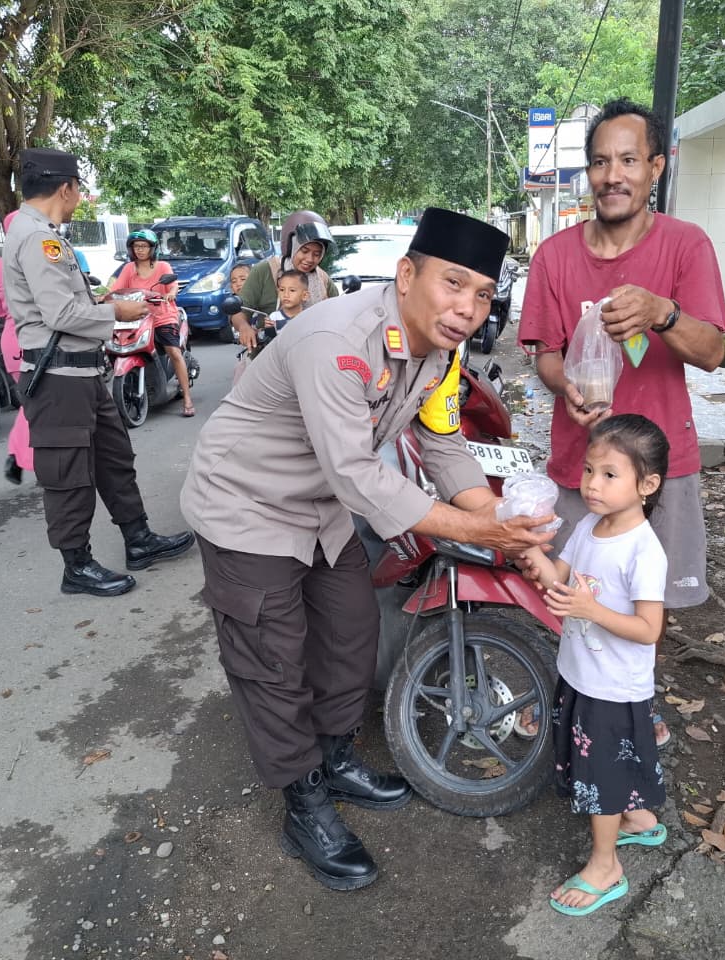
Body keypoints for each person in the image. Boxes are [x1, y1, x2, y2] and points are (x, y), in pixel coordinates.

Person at [181, 207, 556, 893]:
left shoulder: (440, 352)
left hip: (319, 506)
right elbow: (357, 473)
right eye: (453, 284)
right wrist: (479, 531)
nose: (468, 309)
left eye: (482, 294)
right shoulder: (339, 340)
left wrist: (502, 520)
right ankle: (303, 803)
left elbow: (442, 443)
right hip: (247, 506)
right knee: (274, 661)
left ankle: (333, 757)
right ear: (407, 275)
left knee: (351, 633)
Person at [518, 98, 725, 746]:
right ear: (589, 172)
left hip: (660, 470)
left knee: (646, 598)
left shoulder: (686, 246)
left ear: (655, 168)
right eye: (602, 162)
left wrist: (663, 313)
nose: (614, 175)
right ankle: (563, 698)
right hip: (580, 464)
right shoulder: (554, 256)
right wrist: (567, 387)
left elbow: (712, 352)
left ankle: (637, 704)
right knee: (567, 587)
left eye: (629, 160)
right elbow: (545, 353)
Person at [3, 147, 195, 597]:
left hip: (84, 374)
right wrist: (116, 312)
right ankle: (77, 566)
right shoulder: (38, 238)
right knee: (69, 474)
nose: (78, 197)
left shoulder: (44, 234)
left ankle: (138, 539)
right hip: (59, 378)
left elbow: (66, 302)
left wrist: (103, 302)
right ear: (66, 188)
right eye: (78, 189)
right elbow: (61, 314)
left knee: (114, 459)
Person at [520, 414, 670, 917]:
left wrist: (592, 610)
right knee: (611, 762)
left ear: (647, 485)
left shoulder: (644, 551)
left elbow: (649, 629)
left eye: (609, 474)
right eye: (588, 470)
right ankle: (638, 819)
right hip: (581, 673)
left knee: (601, 774)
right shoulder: (588, 526)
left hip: (613, 687)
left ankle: (605, 867)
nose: (591, 484)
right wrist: (530, 550)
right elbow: (559, 581)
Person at [110, 228, 196, 417]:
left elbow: (173, 285)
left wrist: (170, 293)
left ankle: (187, 398)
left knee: (174, 352)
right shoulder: (128, 269)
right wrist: (104, 297)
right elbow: (116, 289)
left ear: (152, 248)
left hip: (162, 316)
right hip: (137, 317)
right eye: (136, 246)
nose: (140, 249)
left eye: (144, 246)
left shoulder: (162, 266)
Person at [230, 210, 338, 351]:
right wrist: (244, 327)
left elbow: (338, 313)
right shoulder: (265, 271)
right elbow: (239, 310)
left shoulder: (322, 279)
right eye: (304, 251)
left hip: (314, 352)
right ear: (291, 246)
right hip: (269, 352)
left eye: (317, 254)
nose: (310, 259)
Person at [0, 211, 33, 485]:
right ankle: (20, 455)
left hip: (12, 341)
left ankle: (23, 455)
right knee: (40, 402)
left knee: (32, 401)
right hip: (38, 338)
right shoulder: (40, 260)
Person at [252, 268, 308, 353]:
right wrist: (268, 330)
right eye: (282, 290)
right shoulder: (274, 317)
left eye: (292, 290)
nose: (286, 295)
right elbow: (268, 342)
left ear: (304, 295)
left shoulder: (308, 317)